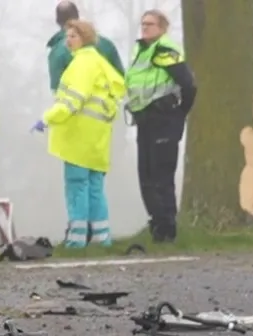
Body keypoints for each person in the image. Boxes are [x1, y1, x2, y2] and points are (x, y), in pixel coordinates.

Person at [34, 19, 125, 249]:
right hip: (97, 139)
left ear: (83, 38)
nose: (68, 40)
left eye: (73, 36)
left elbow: (72, 102)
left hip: (78, 138)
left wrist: (46, 119)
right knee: (95, 187)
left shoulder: (81, 65)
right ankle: (102, 237)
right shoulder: (100, 63)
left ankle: (77, 240)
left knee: (77, 186)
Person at [125, 10, 195, 243]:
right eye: (143, 24)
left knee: (161, 176)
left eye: (150, 24)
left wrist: (178, 113)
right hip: (144, 121)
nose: (145, 28)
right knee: (145, 175)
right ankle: (156, 224)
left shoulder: (166, 50)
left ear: (162, 28)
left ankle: (167, 229)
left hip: (164, 120)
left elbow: (188, 85)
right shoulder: (140, 51)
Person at [47, 3, 124, 93]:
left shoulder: (57, 52)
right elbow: (120, 78)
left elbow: (57, 89)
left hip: (76, 104)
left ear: (57, 21)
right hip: (107, 104)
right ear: (77, 17)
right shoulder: (107, 44)